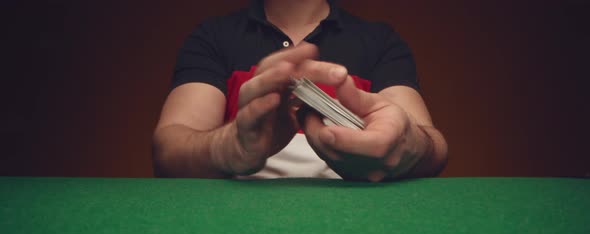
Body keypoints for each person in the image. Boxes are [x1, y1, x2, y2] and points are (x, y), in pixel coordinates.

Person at [152, 0, 448, 182]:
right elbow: (168, 149)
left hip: (358, 214)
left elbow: (433, 145)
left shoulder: (380, 40)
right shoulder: (212, 37)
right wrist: (228, 147)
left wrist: (406, 144)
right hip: (237, 216)